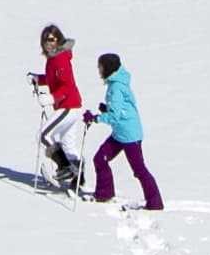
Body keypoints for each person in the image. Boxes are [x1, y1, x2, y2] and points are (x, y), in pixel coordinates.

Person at [88, 50, 161, 212]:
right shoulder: (117, 83)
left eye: (100, 67)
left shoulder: (116, 87)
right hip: (121, 133)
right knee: (100, 158)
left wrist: (95, 118)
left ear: (108, 68)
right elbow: (120, 109)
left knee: (139, 170)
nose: (98, 70)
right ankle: (104, 194)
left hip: (129, 135)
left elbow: (114, 116)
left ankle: (155, 203)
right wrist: (106, 108)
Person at [28, 22, 89, 190]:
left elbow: (66, 86)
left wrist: (51, 98)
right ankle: (78, 180)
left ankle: (65, 169)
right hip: (71, 105)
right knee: (68, 144)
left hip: (67, 106)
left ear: (58, 40)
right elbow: (52, 78)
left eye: (52, 39)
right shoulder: (53, 59)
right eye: (45, 40)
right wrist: (38, 79)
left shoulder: (60, 59)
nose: (49, 43)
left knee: (43, 136)